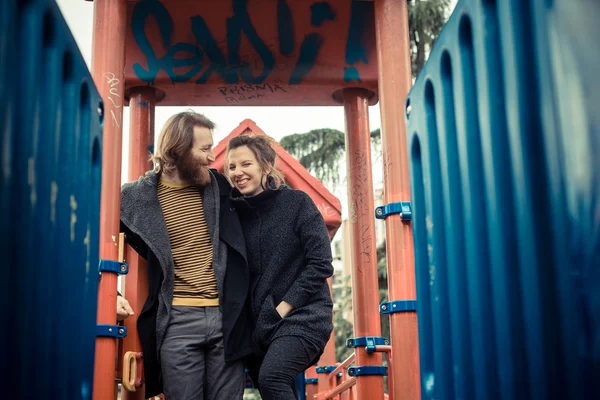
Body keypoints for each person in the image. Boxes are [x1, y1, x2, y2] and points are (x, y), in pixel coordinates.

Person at [118, 111, 253, 399]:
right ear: (179, 149)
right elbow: (94, 239)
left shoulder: (219, 188)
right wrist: (107, 295)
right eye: (204, 148)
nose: (211, 156)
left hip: (225, 316)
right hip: (177, 318)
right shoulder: (135, 198)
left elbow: (262, 211)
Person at [225, 134, 334, 399]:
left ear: (265, 166)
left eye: (245, 164)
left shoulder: (297, 203)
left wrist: (282, 308)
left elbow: (320, 263)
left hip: (303, 316)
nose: (237, 172)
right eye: (231, 167)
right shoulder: (233, 215)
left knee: (273, 377)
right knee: (272, 387)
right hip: (257, 331)